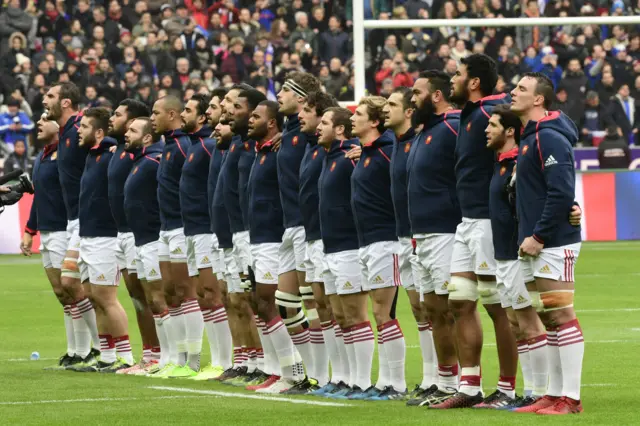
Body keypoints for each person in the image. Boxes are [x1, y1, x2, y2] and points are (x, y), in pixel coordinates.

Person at [436, 53, 517, 409]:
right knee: (459, 301)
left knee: (497, 307)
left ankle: (508, 389)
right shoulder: (470, 115)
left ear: (473, 82)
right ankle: (469, 386)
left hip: (487, 221)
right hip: (466, 222)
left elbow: (529, 133)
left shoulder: (492, 111)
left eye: (457, 74)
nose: (451, 79)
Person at [510, 72, 584, 415]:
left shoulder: (549, 138)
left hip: (552, 241)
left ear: (539, 99)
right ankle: (554, 393)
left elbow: (561, 192)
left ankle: (571, 397)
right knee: (549, 318)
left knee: (561, 314)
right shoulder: (530, 136)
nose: (513, 92)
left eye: (521, 89)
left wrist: (539, 235)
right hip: (536, 241)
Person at [405, 71, 461, 407]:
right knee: (433, 311)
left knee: (453, 311)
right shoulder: (426, 131)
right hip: (421, 235)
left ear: (436, 95)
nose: (413, 98)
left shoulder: (454, 127)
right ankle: (446, 382)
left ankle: (467, 383)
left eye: (417, 92)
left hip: (446, 232)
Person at [349, 96, 407, 400]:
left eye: (358, 114)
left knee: (385, 312)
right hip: (367, 241)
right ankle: (384, 382)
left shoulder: (388, 150)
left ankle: (394, 383)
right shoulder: (367, 153)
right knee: (378, 311)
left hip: (386, 240)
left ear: (374, 121)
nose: (352, 117)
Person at [244, 98, 300, 395]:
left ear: (273, 123)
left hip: (274, 237)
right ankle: (280, 370)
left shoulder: (279, 151)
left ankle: (292, 372)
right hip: (259, 237)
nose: (250, 120)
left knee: (270, 302)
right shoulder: (261, 151)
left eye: (256, 116)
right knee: (260, 302)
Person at [43, 82, 99, 370]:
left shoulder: (80, 126)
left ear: (66, 103)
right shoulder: (65, 133)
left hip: (89, 219)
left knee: (76, 285)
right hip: (72, 219)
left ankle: (101, 348)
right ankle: (87, 350)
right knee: (72, 289)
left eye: (50, 96)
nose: (44, 100)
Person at [275, 71, 324, 392]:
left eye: (285, 90)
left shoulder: (309, 133)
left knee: (314, 302)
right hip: (289, 225)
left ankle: (322, 374)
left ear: (303, 99)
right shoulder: (290, 131)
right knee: (285, 301)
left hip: (308, 226)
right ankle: (306, 372)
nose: (278, 93)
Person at [75, 107, 133, 372]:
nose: (79, 130)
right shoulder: (91, 155)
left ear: (99, 132)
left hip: (105, 237)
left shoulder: (111, 152)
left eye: (84, 126)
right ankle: (107, 356)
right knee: (92, 296)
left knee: (106, 298)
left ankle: (126, 356)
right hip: (88, 235)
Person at [106, 99, 160, 374]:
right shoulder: (120, 149)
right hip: (124, 234)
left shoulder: (149, 156)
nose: (113, 120)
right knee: (138, 298)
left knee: (151, 297)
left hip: (143, 234)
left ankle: (158, 355)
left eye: (118, 115)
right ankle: (148, 354)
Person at [21, 114, 74, 369]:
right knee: (61, 292)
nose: (39, 123)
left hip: (65, 229)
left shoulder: (66, 155)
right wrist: (30, 230)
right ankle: (74, 349)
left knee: (74, 291)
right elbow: (39, 196)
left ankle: (91, 349)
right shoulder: (41, 157)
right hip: (48, 230)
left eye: (44, 119)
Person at [297, 91, 341, 392]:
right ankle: (326, 377)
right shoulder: (312, 149)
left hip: (331, 238)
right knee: (319, 307)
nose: (302, 114)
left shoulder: (337, 153)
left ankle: (345, 376)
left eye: (310, 111)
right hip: (311, 235)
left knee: (339, 309)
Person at [316, 106, 359, 398]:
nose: (319, 126)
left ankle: (359, 380)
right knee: (338, 316)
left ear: (340, 129)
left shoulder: (350, 156)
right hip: (329, 245)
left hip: (349, 244)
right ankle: (342, 377)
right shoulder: (329, 157)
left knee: (353, 314)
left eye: (325, 122)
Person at [150, 95, 194, 378]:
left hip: (180, 227)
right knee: (169, 293)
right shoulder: (169, 144)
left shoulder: (182, 145)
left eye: (156, 113)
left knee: (185, 291)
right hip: (165, 228)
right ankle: (179, 359)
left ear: (172, 114)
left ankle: (194, 359)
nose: (151, 118)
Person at [122, 117, 168, 375]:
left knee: (159, 300)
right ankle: (156, 356)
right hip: (141, 241)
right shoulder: (141, 161)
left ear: (148, 138)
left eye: (132, 130)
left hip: (153, 239)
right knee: (150, 300)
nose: (126, 134)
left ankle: (167, 357)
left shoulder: (155, 161)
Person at [197, 87, 235, 381]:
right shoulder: (217, 144)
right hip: (215, 230)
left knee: (242, 298)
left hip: (237, 233)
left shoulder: (230, 144)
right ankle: (231, 359)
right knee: (220, 295)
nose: (212, 111)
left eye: (217, 105)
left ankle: (237, 359)